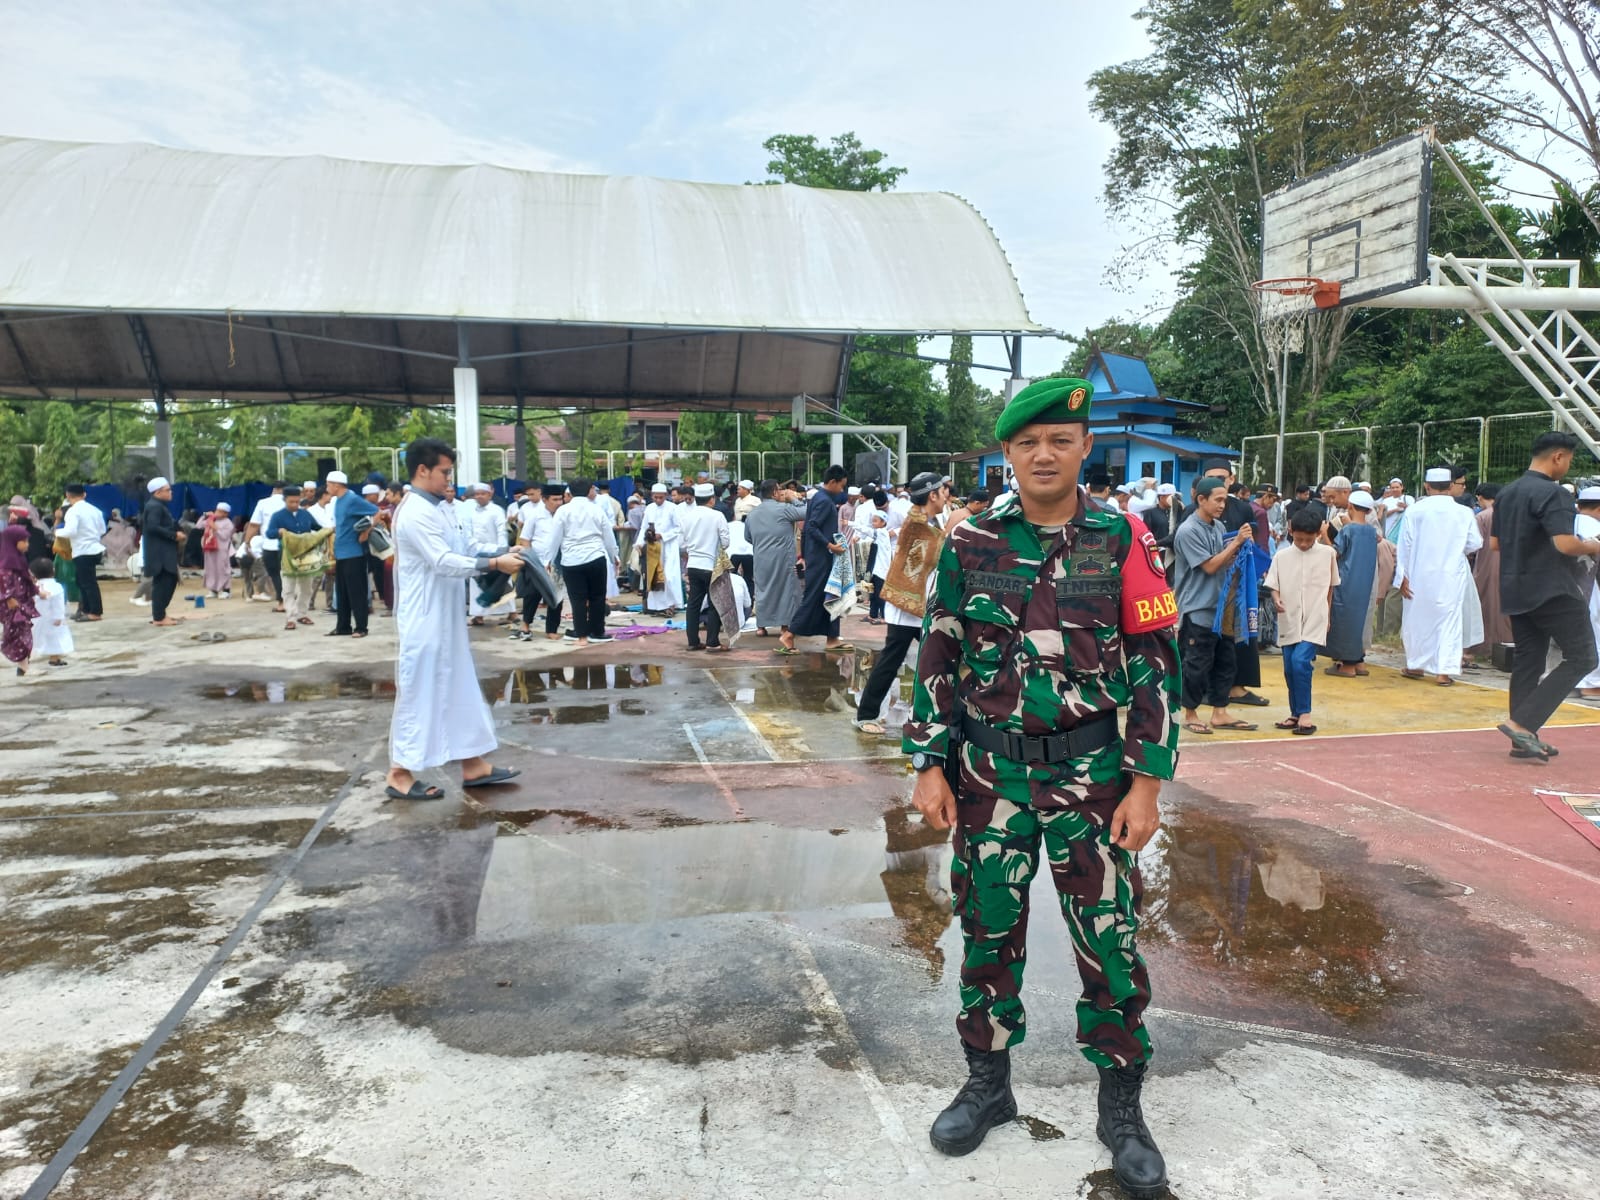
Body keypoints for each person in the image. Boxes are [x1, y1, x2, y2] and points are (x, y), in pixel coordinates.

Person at [903, 376, 1178, 1197]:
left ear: (1085, 447)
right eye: (1029, 443)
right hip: (989, 776)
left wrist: (1148, 784)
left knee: (1110, 938)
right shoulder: (969, 541)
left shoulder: (1124, 538)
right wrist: (926, 760)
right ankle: (988, 1085)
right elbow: (938, 651)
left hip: (1096, 778)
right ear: (1009, 454)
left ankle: (1121, 1108)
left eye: (1061, 439)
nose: (1045, 454)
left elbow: (1156, 668)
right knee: (987, 929)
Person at [386, 438, 525, 801]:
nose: (450, 479)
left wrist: (502, 551)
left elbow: (463, 550)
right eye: (444, 472)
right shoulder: (414, 511)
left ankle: (473, 763)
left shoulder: (441, 508)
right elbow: (443, 561)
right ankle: (399, 773)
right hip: (424, 618)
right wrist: (495, 565)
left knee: (459, 687)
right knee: (420, 691)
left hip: (448, 617)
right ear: (422, 470)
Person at [1491, 433, 1600, 759]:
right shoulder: (1553, 494)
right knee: (1583, 657)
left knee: (1529, 659)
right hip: (1553, 589)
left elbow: (1495, 545)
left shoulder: (1508, 493)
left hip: (1515, 587)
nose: (1566, 468)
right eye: (1567, 461)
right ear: (1558, 457)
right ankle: (1523, 725)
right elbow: (1565, 545)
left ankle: (1522, 740)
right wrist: (1593, 545)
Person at [852, 471, 947, 735]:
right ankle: (866, 715)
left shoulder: (928, 522)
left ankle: (943, 713)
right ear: (932, 495)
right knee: (893, 660)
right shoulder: (917, 526)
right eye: (943, 491)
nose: (947, 495)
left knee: (940, 657)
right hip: (908, 607)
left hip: (919, 604)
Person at [1173, 477, 1257, 735]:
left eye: (1225, 500)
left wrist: (1241, 551)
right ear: (1201, 499)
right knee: (1196, 665)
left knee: (1226, 662)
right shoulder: (1188, 531)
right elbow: (1209, 566)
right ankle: (1189, 712)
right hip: (1198, 608)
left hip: (1222, 607)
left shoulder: (1218, 527)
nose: (1223, 505)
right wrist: (1236, 543)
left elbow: (1224, 563)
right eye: (1218, 500)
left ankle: (1219, 711)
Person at [1397, 467, 1482, 686]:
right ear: (1451, 486)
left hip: (1418, 574)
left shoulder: (1415, 510)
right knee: (1449, 620)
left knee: (1416, 619)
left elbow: (1404, 545)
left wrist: (1402, 577)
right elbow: (1475, 543)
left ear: (1427, 485)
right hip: (1450, 575)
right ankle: (1443, 672)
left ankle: (1415, 665)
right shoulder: (1463, 513)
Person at [1266, 507, 1340, 734]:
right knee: (1289, 667)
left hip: (1315, 617)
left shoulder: (1328, 554)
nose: (1304, 544)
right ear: (1291, 531)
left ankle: (1305, 714)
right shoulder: (1282, 556)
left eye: (1309, 539)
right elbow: (1273, 585)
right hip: (1289, 617)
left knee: (1300, 662)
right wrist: (1277, 600)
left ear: (1318, 533)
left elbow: (1330, 588)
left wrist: (1327, 614)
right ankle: (1295, 712)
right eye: (1299, 539)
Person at [788, 464, 852, 651]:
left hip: (821, 557)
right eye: (841, 486)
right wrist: (830, 545)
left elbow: (809, 527)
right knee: (814, 597)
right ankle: (789, 634)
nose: (842, 490)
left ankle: (832, 638)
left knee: (831, 595)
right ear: (832, 482)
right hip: (822, 558)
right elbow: (812, 527)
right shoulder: (823, 500)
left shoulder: (818, 497)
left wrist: (806, 555)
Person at [550, 478, 618, 645]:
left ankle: (581, 636)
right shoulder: (597, 510)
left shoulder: (563, 511)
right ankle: (597, 632)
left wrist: (548, 560)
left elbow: (554, 538)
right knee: (597, 597)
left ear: (569, 493)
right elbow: (608, 537)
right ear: (589, 491)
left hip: (571, 561)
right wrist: (614, 557)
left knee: (577, 599)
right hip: (595, 557)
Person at [1323, 490, 1380, 676]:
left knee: (1343, 622)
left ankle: (1347, 665)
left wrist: (1325, 534)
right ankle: (1359, 662)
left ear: (1350, 506)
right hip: (1364, 583)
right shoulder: (1372, 532)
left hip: (1346, 582)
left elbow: (1334, 553)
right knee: (1358, 622)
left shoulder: (1348, 530)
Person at [746, 480, 808, 649]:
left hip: (760, 558)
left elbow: (748, 537)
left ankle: (761, 626)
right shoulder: (783, 509)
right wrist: (794, 498)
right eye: (780, 490)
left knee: (763, 589)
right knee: (785, 590)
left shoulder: (753, 514)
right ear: (775, 492)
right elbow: (806, 512)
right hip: (783, 558)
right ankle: (784, 626)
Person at [326, 471, 380, 639]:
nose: (327, 488)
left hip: (354, 553)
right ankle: (343, 626)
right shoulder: (337, 501)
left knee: (356, 592)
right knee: (342, 592)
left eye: (328, 484)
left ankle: (361, 627)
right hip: (342, 552)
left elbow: (377, 512)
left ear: (337, 485)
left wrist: (367, 531)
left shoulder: (352, 499)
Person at [266, 486, 328, 630]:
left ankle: (302, 614)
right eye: (291, 502)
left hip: (306, 556)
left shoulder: (305, 514)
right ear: (285, 500)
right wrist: (278, 531)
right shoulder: (278, 516)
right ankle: (291, 617)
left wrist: (327, 532)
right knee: (288, 589)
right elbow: (269, 533)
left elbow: (317, 528)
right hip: (287, 557)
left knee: (306, 588)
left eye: (296, 502)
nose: (294, 505)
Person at [680, 482, 731, 652]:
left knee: (693, 603)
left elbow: (682, 544)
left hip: (693, 565)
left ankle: (693, 641)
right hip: (711, 566)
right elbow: (725, 542)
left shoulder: (687, 516)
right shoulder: (717, 516)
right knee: (714, 603)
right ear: (712, 499)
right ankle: (712, 642)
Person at [513, 485, 565, 642]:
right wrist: (530, 560)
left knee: (556, 597)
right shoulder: (535, 515)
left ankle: (551, 629)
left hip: (556, 562)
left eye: (560, 499)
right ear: (544, 499)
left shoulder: (564, 514)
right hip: (537, 562)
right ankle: (526, 625)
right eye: (554, 499)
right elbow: (525, 539)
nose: (558, 502)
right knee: (532, 595)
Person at [1466, 483, 1511, 662]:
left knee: (1484, 606)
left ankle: (1484, 648)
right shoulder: (1512, 514)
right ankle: (1508, 646)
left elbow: (1474, 546)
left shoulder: (1482, 517)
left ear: (1479, 497)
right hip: (1511, 566)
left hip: (1486, 565)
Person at [141, 477, 184, 627]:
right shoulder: (155, 507)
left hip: (163, 550)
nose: (170, 492)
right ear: (158, 492)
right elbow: (152, 527)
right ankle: (159, 617)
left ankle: (160, 614)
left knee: (168, 582)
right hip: (160, 552)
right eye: (167, 490)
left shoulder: (158, 505)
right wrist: (174, 535)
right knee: (164, 584)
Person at [61, 483, 107, 622]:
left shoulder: (73, 511)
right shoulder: (95, 510)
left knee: (88, 582)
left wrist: (57, 532)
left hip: (82, 550)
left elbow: (70, 531)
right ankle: (85, 609)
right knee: (83, 581)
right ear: (84, 494)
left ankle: (95, 611)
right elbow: (102, 530)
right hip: (94, 548)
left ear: (68, 496)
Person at [640, 483, 684, 615]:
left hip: (668, 547)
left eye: (661, 497)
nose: (658, 500)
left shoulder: (672, 508)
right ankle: (657, 606)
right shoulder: (649, 508)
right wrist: (639, 544)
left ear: (666, 496)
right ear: (652, 496)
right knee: (654, 576)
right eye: (655, 497)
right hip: (653, 548)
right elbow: (643, 527)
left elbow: (679, 528)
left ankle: (671, 605)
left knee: (669, 576)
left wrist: (663, 535)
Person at [1, 525, 39, 674]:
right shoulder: (6, 563)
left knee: (24, 632)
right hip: (13, 604)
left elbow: (25, 577)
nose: (27, 545)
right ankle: (23, 666)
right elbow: (4, 583)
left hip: (22, 601)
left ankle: (23, 666)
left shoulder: (18, 559)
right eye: (24, 541)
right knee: (18, 633)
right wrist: (9, 598)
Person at [245, 482, 288, 610]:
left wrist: (247, 541)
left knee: (275, 574)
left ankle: (282, 602)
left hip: (269, 545)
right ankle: (289, 599)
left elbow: (254, 525)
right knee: (287, 573)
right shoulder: (292, 503)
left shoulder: (263, 503)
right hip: (289, 545)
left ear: (275, 489)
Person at [1574, 485, 1600, 701]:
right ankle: (1591, 685)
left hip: (1561, 586)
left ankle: (1574, 682)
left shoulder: (1568, 522)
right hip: (1588, 587)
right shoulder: (1594, 527)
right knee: (1593, 633)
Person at [29, 556, 71, 667]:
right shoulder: (56, 587)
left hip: (34, 618)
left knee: (32, 638)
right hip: (52, 619)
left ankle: (25, 658)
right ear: (53, 570)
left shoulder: (33, 587)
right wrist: (59, 617)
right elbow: (58, 604)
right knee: (55, 639)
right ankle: (54, 658)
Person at [201, 502, 236, 598]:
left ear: (226, 514)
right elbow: (198, 526)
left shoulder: (228, 523)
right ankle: (213, 590)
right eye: (217, 511)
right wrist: (205, 516)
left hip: (222, 549)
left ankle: (226, 590)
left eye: (221, 512)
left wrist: (214, 527)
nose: (217, 513)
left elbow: (225, 536)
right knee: (210, 569)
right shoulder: (211, 519)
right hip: (209, 548)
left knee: (222, 569)